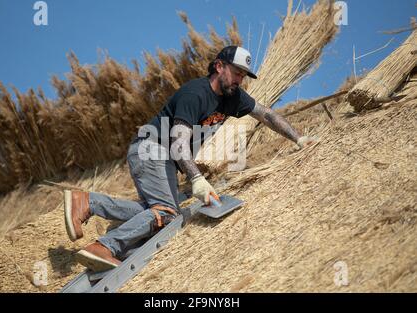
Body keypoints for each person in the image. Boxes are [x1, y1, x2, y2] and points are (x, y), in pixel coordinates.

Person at [63, 46, 316, 272]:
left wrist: (299, 139)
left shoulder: (233, 97)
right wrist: (196, 178)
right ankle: (106, 245)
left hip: (164, 159)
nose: (240, 80)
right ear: (219, 67)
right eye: (237, 72)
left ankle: (88, 202)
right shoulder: (195, 94)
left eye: (243, 75)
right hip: (152, 150)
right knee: (169, 213)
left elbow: (267, 115)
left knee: (155, 214)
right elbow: (178, 142)